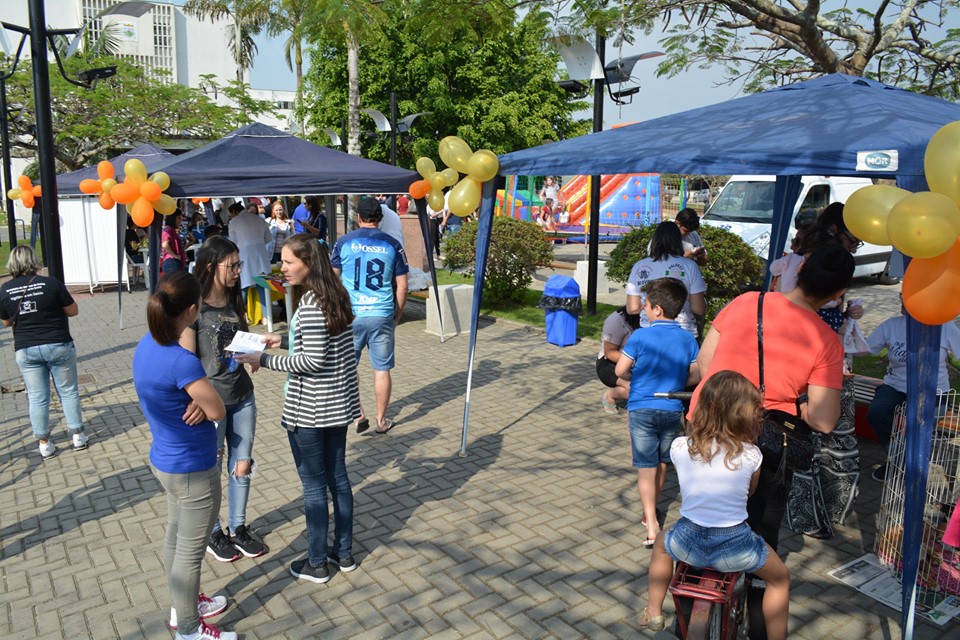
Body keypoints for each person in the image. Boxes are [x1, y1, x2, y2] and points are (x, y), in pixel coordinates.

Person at [688, 243, 854, 553]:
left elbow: (705, 363)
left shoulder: (745, 302)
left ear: (801, 270)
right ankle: (751, 588)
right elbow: (823, 420)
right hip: (766, 439)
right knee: (758, 534)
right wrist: (801, 402)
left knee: (704, 516)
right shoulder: (827, 341)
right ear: (837, 293)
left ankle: (701, 584)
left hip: (707, 419)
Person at [234, 234, 361, 584]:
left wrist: (265, 358)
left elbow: (313, 360)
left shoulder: (312, 303)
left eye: (289, 262)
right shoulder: (335, 295)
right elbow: (321, 339)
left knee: (314, 487)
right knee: (338, 479)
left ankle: (317, 562)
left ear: (308, 263)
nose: (283, 267)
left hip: (313, 412)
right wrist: (283, 339)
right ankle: (344, 553)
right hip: (337, 406)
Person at [640, 371, 790, 640]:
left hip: (688, 541)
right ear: (745, 414)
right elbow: (749, 494)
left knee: (661, 546)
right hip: (735, 546)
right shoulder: (751, 455)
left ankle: (653, 611)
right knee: (779, 579)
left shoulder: (680, 447)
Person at [131, 272, 234, 640]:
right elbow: (219, 410)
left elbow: (193, 401)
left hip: (166, 460)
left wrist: (194, 401)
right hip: (192, 467)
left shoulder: (146, 345)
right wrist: (202, 403)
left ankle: (184, 606)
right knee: (190, 553)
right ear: (191, 310)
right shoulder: (181, 361)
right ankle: (189, 629)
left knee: (176, 538)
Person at [180, 237, 267, 563]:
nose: (236, 271)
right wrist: (192, 399)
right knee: (212, 470)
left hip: (242, 395)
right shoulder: (195, 308)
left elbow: (239, 340)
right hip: (210, 404)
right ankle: (213, 531)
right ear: (209, 266)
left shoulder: (235, 299)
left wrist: (253, 354)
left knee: (242, 465)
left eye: (238, 265)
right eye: (231, 265)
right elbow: (186, 361)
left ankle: (238, 526)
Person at [615, 278, 700, 546]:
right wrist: (676, 381)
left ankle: (651, 521)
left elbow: (619, 371)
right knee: (662, 462)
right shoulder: (687, 339)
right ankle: (651, 509)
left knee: (645, 465)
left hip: (641, 407)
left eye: (646, 305)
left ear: (658, 310)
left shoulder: (640, 335)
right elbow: (697, 373)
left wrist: (634, 374)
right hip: (672, 408)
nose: (643, 308)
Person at [0, 246, 89, 460]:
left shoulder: (4, 290)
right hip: (58, 344)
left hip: (26, 348)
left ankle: (44, 443)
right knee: (67, 391)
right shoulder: (51, 283)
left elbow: (5, 321)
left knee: (38, 397)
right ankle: (77, 435)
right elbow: (73, 310)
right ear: (34, 261)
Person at [331, 197, 409, 434]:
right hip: (382, 312)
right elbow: (403, 286)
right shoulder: (393, 245)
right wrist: (396, 315)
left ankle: (358, 415)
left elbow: (332, 277)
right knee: (382, 369)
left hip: (351, 314)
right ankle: (381, 420)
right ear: (381, 218)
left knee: (346, 365)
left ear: (358, 217)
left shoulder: (343, 242)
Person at [864, 298, 960, 481]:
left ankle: (897, 462)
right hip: (895, 386)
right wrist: (846, 330)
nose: (903, 306)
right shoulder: (892, 325)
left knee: (916, 424)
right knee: (876, 413)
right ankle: (900, 459)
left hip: (933, 391)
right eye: (903, 300)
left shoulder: (945, 327)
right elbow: (866, 349)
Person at [626, 221, 706, 338]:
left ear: (655, 240)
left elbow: (632, 309)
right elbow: (699, 309)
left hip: (648, 332)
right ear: (678, 241)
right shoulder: (690, 266)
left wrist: (650, 307)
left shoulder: (639, 266)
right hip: (683, 333)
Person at [227, 200, 272, 318]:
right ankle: (267, 316)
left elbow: (232, 242)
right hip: (261, 255)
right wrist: (258, 244)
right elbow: (268, 237)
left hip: (244, 255)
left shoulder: (234, 221)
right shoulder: (259, 219)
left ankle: (239, 316)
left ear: (234, 212)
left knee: (243, 286)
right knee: (262, 286)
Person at [597, 305, 640, 414]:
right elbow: (610, 352)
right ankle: (610, 395)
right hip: (610, 363)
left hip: (637, 365)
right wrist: (633, 361)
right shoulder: (616, 321)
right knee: (633, 390)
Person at [161, 210, 188, 275]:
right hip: (172, 262)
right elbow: (165, 245)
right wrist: (174, 256)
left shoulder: (172, 230)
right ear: (172, 218)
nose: (180, 220)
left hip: (174, 262)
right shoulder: (168, 230)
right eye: (178, 218)